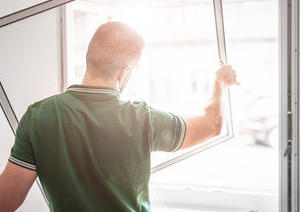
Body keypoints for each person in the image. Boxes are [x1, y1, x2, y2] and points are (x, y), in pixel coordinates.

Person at [0, 21, 238, 212]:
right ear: (125, 70)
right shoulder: (143, 119)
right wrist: (220, 84)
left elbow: (5, 202)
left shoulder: (39, 116)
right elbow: (212, 125)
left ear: (89, 59)